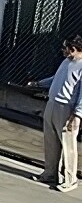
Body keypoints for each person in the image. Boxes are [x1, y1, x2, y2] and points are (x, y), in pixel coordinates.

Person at [31, 35, 82, 192]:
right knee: (51, 140)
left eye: (68, 48)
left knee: (68, 144)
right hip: (52, 103)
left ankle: (70, 179)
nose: (65, 51)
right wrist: (39, 84)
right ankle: (50, 173)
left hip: (67, 108)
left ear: (76, 49)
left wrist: (78, 114)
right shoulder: (67, 61)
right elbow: (56, 78)